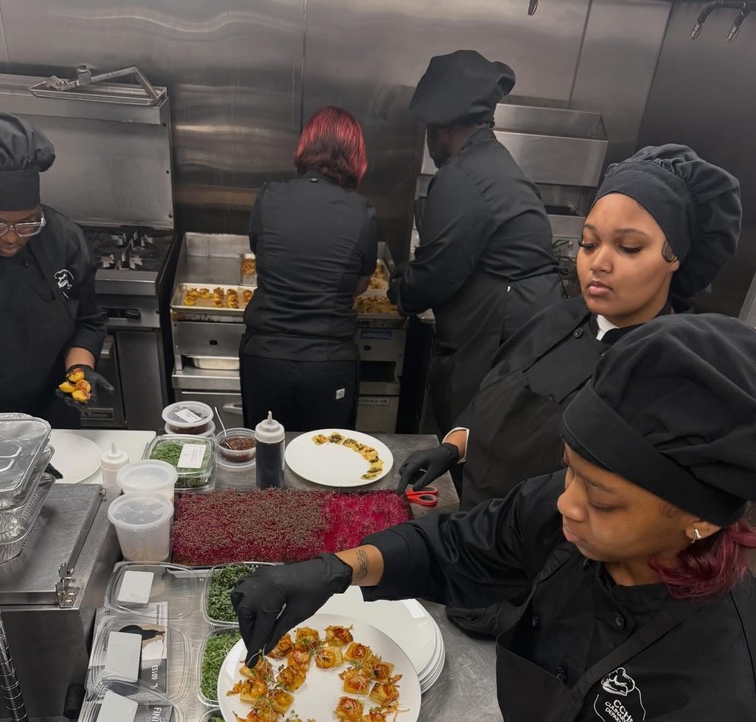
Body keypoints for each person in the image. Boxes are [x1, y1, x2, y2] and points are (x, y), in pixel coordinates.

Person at [230, 312, 756, 722]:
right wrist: (339, 568)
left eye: (601, 500)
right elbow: (464, 546)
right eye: (569, 472)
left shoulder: (720, 678)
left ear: (700, 519)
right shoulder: (574, 510)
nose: (567, 505)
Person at [397, 145, 742, 510]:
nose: (599, 263)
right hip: (473, 521)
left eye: (628, 247)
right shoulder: (556, 318)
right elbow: (496, 396)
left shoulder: (669, 371)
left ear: (676, 257)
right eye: (589, 243)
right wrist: (452, 447)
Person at [389, 50, 563, 436]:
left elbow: (437, 275)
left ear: (442, 128)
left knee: (469, 443)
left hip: (495, 339)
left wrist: (400, 290)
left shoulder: (461, 175)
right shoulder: (493, 161)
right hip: (518, 333)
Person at [240, 106, 377, 431]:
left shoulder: (268, 196)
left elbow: (265, 258)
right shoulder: (362, 211)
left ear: (306, 146)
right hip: (328, 363)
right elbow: (360, 285)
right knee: (328, 457)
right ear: (355, 154)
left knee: (267, 454)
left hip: (265, 359)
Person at [0, 113, 108, 427]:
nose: (11, 238)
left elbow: (88, 322)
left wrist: (79, 372)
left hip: (51, 408)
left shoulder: (63, 239)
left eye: (27, 222)